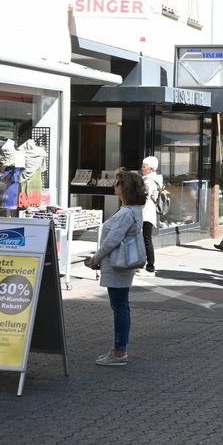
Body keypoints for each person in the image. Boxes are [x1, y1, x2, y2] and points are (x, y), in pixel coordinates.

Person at [87, 170, 147, 366]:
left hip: (118, 264)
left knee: (119, 306)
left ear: (125, 188)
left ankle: (119, 351)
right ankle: (118, 349)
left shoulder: (126, 213)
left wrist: (96, 257)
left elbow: (112, 240)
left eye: (118, 183)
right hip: (122, 263)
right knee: (121, 305)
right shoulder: (134, 210)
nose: (114, 186)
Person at [140, 156, 164, 274]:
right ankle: (147, 263)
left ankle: (150, 265)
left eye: (144, 166)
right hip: (148, 212)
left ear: (150, 168)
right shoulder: (153, 179)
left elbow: (144, 198)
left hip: (146, 213)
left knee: (146, 239)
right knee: (146, 238)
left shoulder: (149, 181)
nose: (142, 168)